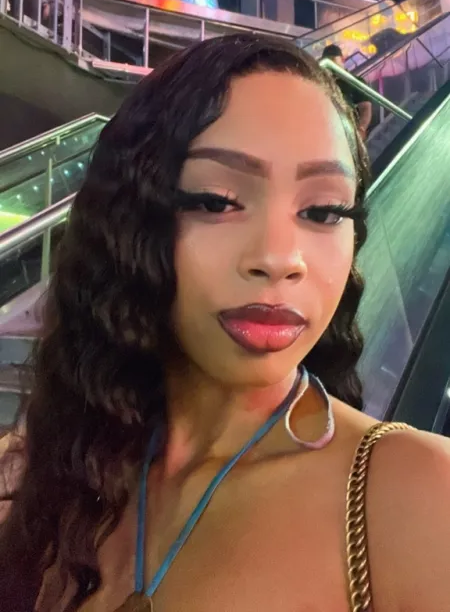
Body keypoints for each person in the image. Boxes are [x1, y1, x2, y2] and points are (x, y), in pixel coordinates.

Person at [1, 34, 449, 612]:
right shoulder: (58, 474)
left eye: (323, 210)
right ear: (129, 221)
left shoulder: (418, 498)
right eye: (217, 201)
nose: (280, 257)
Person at [321, 44, 373, 139]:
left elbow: (365, 108)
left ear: (342, 59)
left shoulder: (355, 81)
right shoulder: (321, 81)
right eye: (326, 61)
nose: (329, 64)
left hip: (348, 131)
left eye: (332, 59)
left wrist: (361, 129)